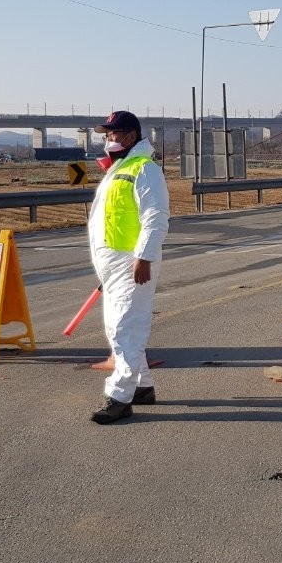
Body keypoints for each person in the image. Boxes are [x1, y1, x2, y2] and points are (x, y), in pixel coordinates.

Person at [87, 110, 170, 424]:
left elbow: (156, 217)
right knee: (117, 327)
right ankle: (142, 387)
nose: (109, 138)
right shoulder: (119, 167)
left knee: (125, 328)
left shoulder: (145, 169)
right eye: (107, 133)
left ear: (131, 136)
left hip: (132, 262)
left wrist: (144, 257)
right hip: (113, 263)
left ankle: (120, 396)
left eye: (115, 132)